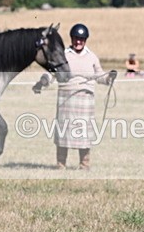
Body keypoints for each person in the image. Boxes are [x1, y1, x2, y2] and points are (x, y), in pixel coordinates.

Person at [32, 23, 116, 170]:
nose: (78, 42)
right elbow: (52, 73)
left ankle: (84, 164)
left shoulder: (92, 57)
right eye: (76, 38)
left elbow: (99, 76)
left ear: (85, 40)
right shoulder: (63, 54)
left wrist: (109, 77)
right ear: (71, 39)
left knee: (84, 133)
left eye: (81, 39)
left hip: (85, 100)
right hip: (66, 100)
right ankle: (61, 164)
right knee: (63, 132)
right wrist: (43, 82)